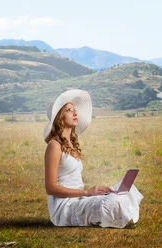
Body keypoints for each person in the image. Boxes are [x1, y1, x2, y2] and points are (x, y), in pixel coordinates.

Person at [44, 89, 143, 228]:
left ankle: (113, 210)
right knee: (112, 202)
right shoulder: (54, 146)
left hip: (80, 199)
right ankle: (112, 212)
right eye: (69, 110)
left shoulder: (71, 144)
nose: (75, 113)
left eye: (74, 109)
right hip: (65, 206)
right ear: (59, 117)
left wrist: (91, 193)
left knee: (125, 190)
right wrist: (87, 192)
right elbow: (50, 188)